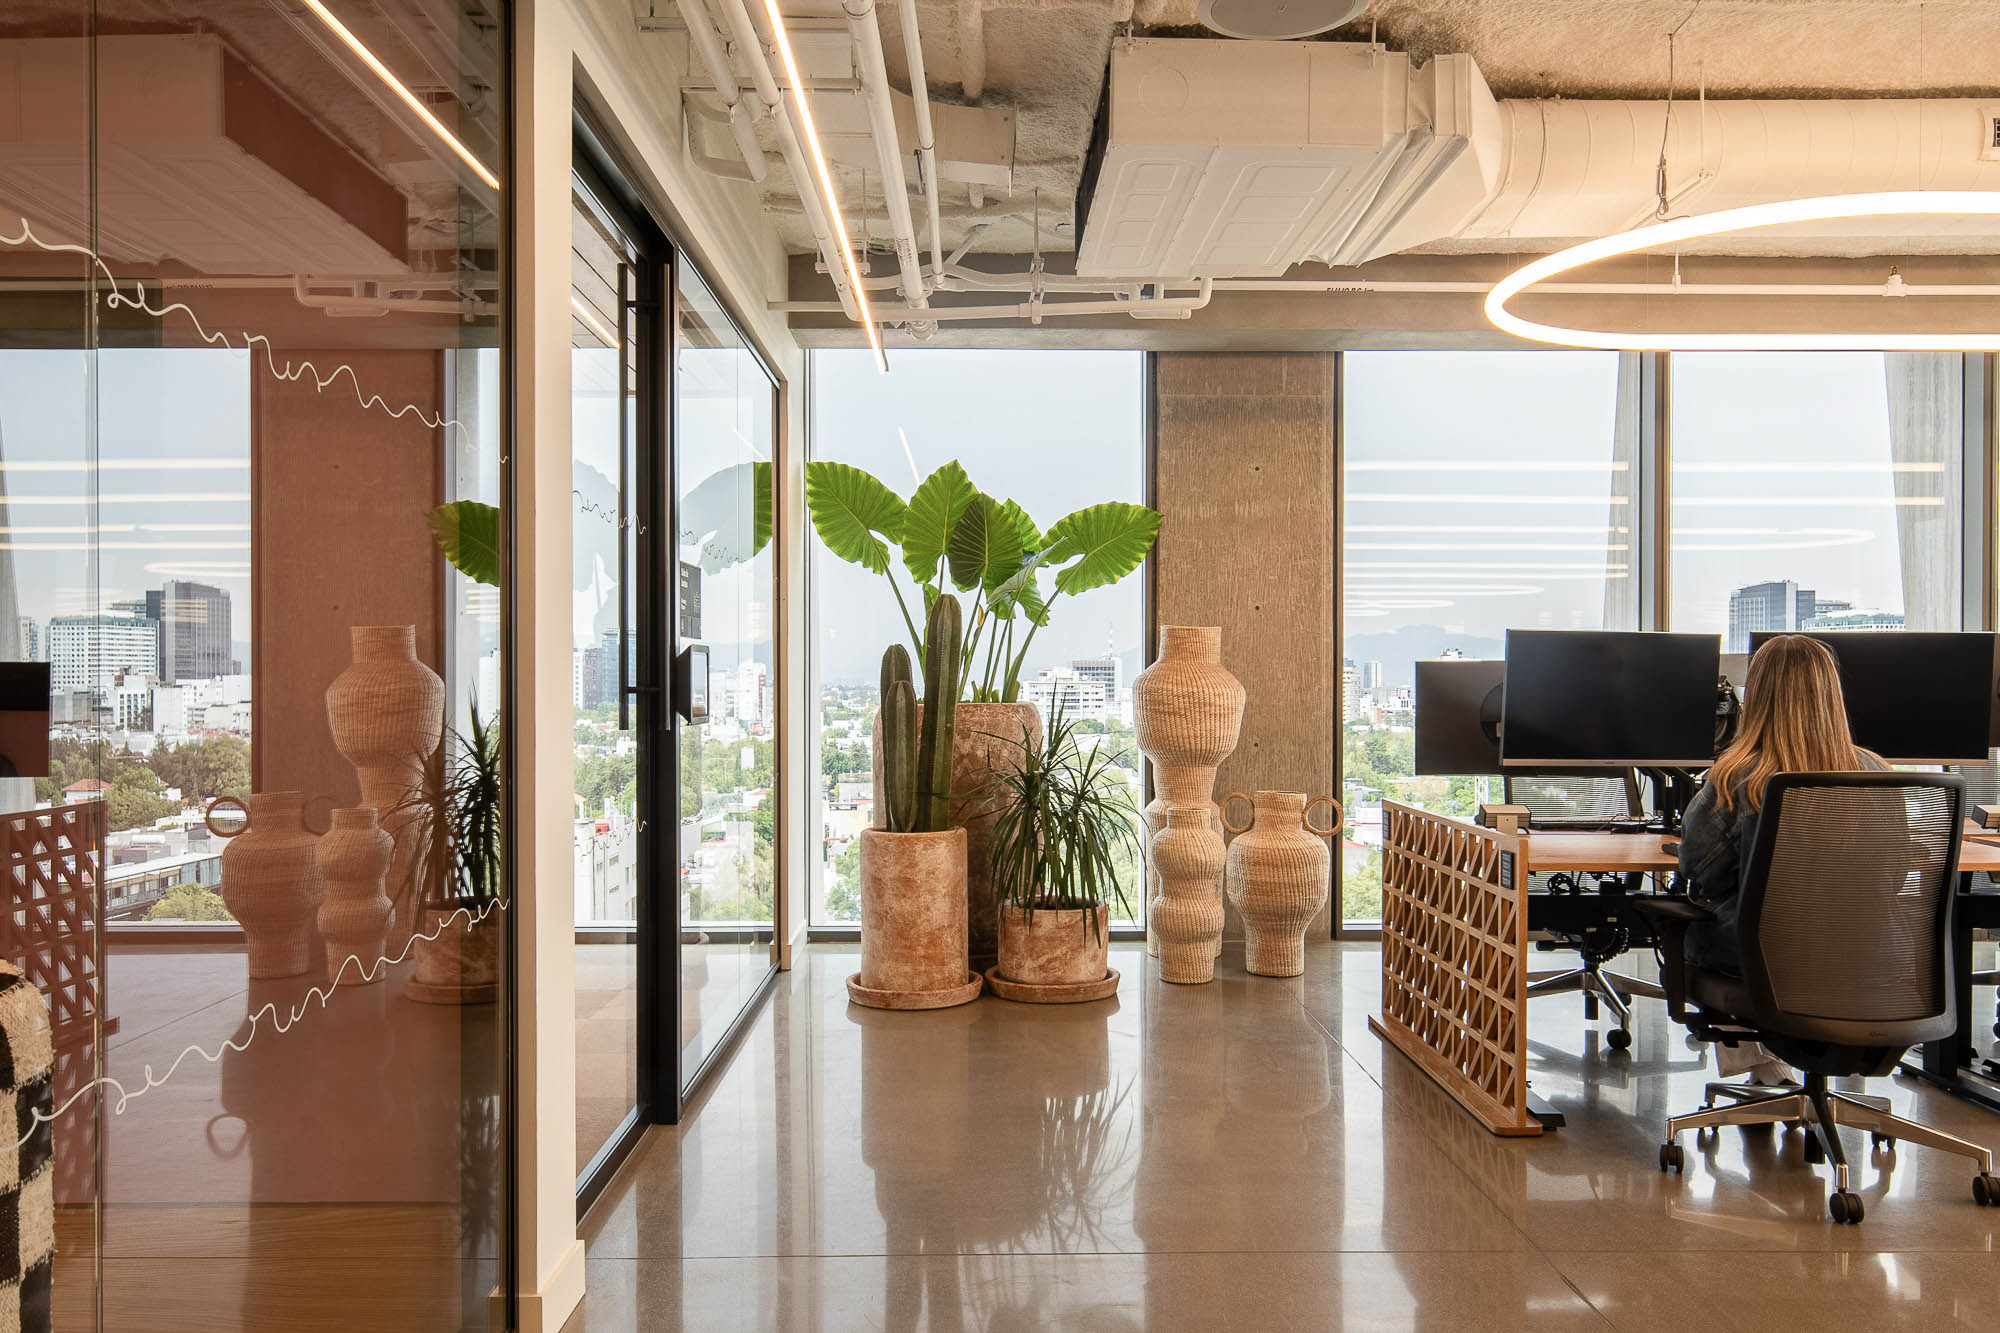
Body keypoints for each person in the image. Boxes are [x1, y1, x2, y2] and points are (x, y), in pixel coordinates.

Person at [1676, 634, 1885, 1083]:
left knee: (1729, 916)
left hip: (1765, 959)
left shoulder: (1737, 777)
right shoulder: (1875, 771)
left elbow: (1697, 869)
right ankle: (1772, 1070)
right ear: (1832, 693)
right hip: (1867, 956)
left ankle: (1766, 1068)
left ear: (1759, 695)